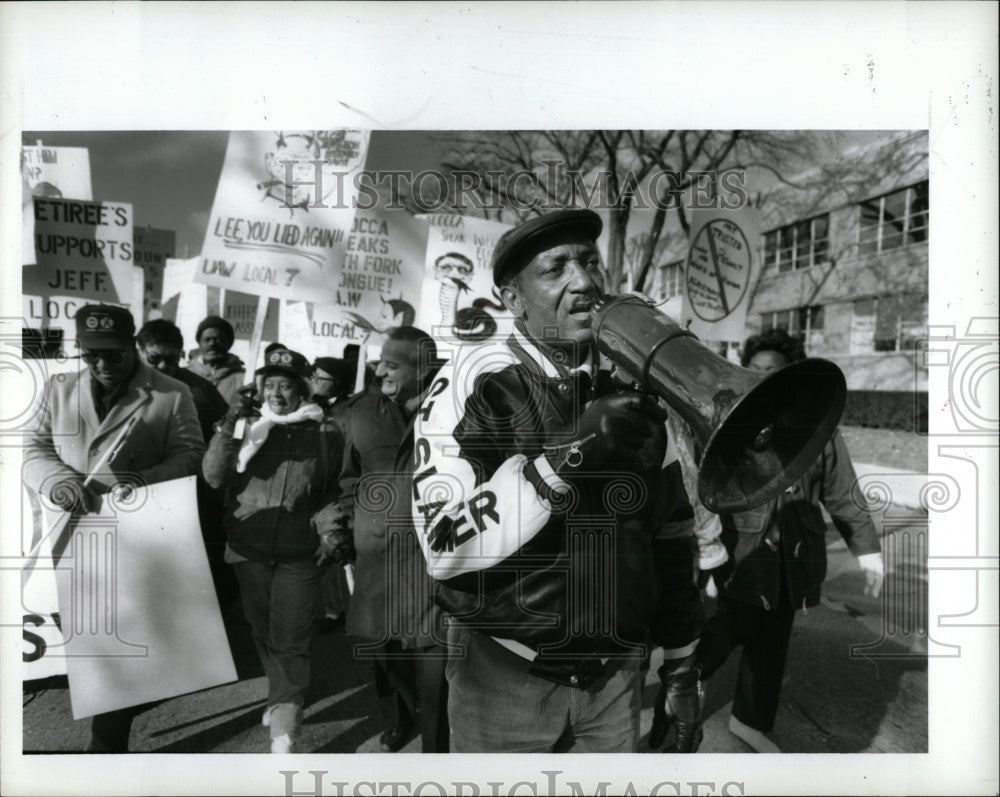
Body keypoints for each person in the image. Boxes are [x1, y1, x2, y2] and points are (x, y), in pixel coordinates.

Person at [411, 209, 704, 753]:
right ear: (513, 299)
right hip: (502, 677)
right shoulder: (471, 376)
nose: (585, 281)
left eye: (591, 262)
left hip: (617, 679)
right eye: (556, 269)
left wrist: (684, 667)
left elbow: (669, 532)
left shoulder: (635, 375)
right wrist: (563, 459)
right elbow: (442, 545)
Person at [23, 304, 205, 753]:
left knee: (120, 643)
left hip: (141, 534)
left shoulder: (172, 393)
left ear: (133, 348)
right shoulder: (58, 388)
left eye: (114, 355)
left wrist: (145, 480)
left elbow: (190, 454)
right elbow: (33, 449)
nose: (102, 366)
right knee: (94, 643)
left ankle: (106, 748)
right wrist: (60, 481)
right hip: (80, 532)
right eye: (91, 356)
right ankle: (115, 722)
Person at [694, 328, 885, 753]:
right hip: (741, 558)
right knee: (722, 632)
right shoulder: (730, 421)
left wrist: (868, 550)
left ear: (789, 375)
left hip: (792, 563)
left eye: (772, 371)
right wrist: (704, 556)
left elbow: (843, 492)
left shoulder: (818, 426)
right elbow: (702, 492)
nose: (761, 377)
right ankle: (683, 694)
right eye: (755, 369)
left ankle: (749, 721)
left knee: (771, 646)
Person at [202, 346, 342, 753]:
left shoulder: (326, 432)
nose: (277, 393)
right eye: (270, 385)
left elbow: (334, 488)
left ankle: (285, 726)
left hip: (300, 553)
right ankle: (280, 694)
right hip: (249, 549)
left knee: (291, 639)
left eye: (286, 385)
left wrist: (332, 530)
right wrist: (230, 422)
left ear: (303, 391)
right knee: (262, 631)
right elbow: (213, 477)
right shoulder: (246, 426)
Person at [328, 327, 450, 752]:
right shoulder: (359, 411)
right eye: (380, 362)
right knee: (384, 650)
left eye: (392, 364)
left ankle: (438, 746)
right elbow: (348, 478)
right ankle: (398, 719)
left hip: (433, 557)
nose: (380, 371)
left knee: (436, 653)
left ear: (425, 368)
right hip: (377, 554)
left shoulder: (455, 406)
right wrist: (346, 526)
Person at [136, 319, 237, 613]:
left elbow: (225, 436)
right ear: (138, 350)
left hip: (190, 493)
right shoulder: (123, 385)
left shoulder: (200, 390)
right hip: (137, 492)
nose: (165, 366)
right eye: (155, 359)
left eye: (173, 358)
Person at [310, 355, 356, 633]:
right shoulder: (310, 408)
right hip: (318, 490)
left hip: (341, 491)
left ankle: (352, 611)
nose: (314, 381)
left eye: (321, 378)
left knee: (342, 551)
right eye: (313, 376)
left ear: (337, 385)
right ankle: (333, 609)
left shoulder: (348, 413)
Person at [185, 315, 245, 404]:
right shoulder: (185, 375)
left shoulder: (242, 378)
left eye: (218, 339)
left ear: (228, 343)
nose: (212, 344)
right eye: (207, 339)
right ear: (199, 343)